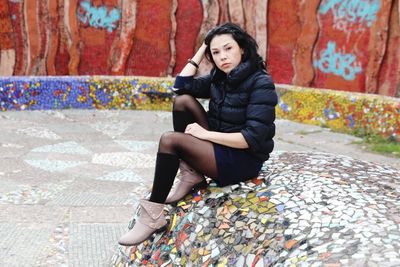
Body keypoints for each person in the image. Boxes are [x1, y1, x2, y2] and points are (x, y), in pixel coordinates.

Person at [118, 22, 277, 246]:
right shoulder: (219, 78)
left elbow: (250, 138)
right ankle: (192, 173)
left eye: (228, 48)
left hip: (242, 159)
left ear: (241, 48)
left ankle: (153, 214)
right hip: (221, 146)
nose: (223, 57)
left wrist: (205, 135)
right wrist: (202, 50)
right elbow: (180, 86)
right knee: (182, 102)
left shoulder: (261, 83)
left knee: (169, 140)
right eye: (216, 52)